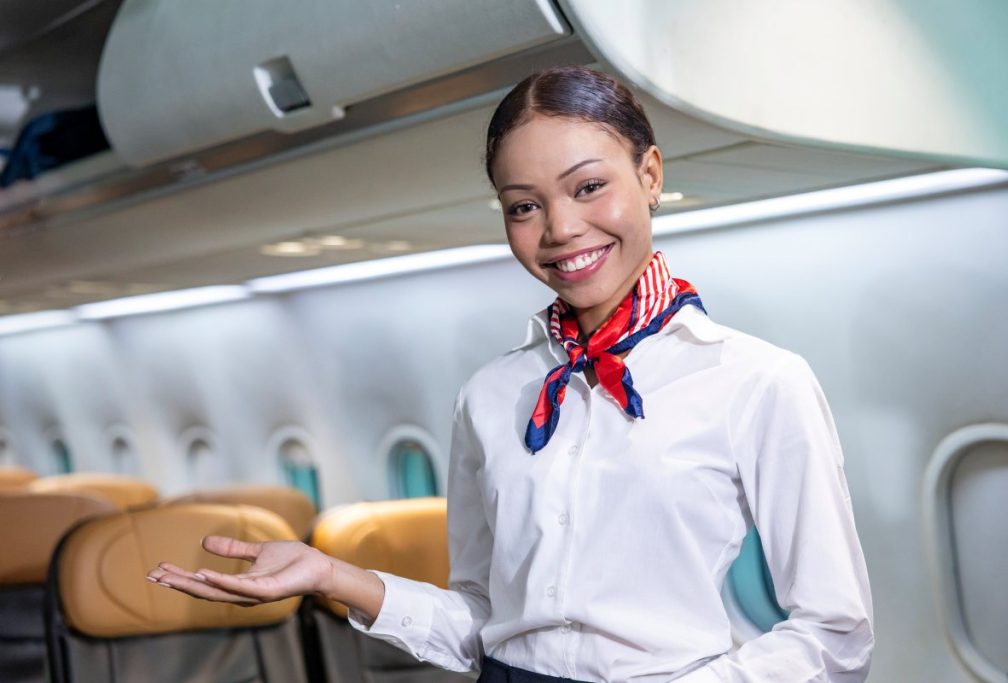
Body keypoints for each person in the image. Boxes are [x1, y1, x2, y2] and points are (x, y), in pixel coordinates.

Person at [147, 65, 875, 682]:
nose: (559, 229)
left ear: (650, 175)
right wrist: (330, 574)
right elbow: (481, 620)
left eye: (588, 186)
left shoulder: (757, 381)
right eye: (524, 206)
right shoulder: (491, 396)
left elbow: (834, 633)